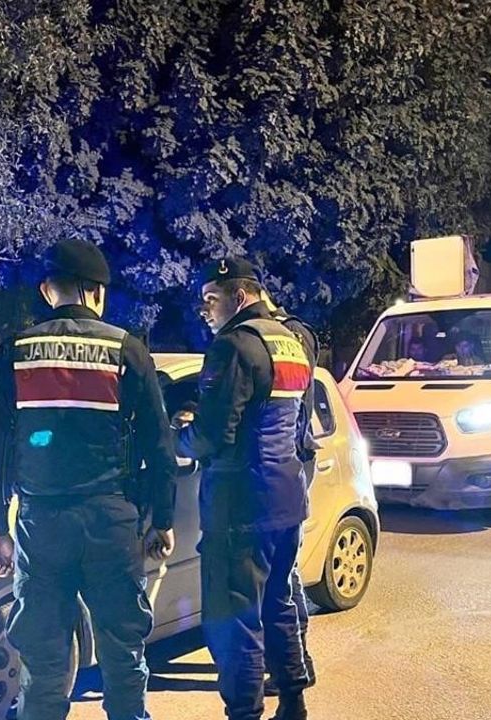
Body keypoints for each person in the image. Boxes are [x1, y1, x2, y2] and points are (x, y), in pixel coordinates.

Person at [0, 238, 178, 720]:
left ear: (49, 291)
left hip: (41, 525)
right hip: (111, 521)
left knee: (44, 662)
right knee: (122, 655)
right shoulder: (126, 350)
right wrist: (162, 520)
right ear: (97, 292)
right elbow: (159, 445)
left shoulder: (14, 352)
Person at [179, 258, 313, 720]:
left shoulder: (234, 345)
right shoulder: (290, 341)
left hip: (240, 506)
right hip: (286, 498)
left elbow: (212, 435)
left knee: (234, 621)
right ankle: (293, 702)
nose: (205, 310)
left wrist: (176, 438)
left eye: (211, 299)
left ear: (238, 297)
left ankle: (244, 712)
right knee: (278, 606)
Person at [260, 288, 320, 696]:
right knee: (283, 569)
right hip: (291, 459)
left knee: (283, 572)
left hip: (289, 460)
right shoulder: (289, 333)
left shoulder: (287, 334)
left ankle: (297, 660)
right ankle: (292, 659)